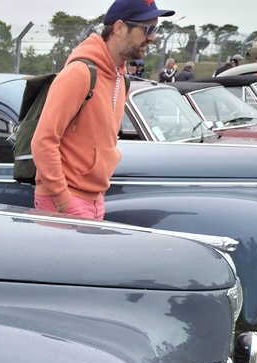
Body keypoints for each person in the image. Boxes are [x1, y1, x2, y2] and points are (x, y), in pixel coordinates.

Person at [32, 0, 174, 220]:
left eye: (156, 30)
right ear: (119, 28)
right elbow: (43, 141)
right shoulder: (80, 73)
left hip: (94, 198)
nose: (153, 37)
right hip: (65, 199)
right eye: (147, 29)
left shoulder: (121, 78)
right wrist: (63, 199)